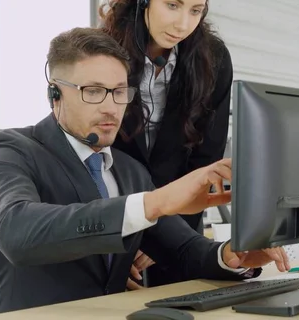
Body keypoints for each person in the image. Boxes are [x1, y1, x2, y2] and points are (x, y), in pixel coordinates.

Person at [0, 27, 290, 317]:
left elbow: (184, 251)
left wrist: (231, 255)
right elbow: (18, 233)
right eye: (93, 91)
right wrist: (154, 203)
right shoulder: (7, 151)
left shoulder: (129, 171)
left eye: (120, 92)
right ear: (54, 94)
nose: (111, 107)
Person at [99, 0, 234, 287]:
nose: (183, 24)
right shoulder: (101, 53)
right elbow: (92, 159)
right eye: (173, 5)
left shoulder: (213, 58)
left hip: (181, 225)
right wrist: (130, 232)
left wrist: (166, 233)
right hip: (114, 224)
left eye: (195, 10)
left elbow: (205, 165)